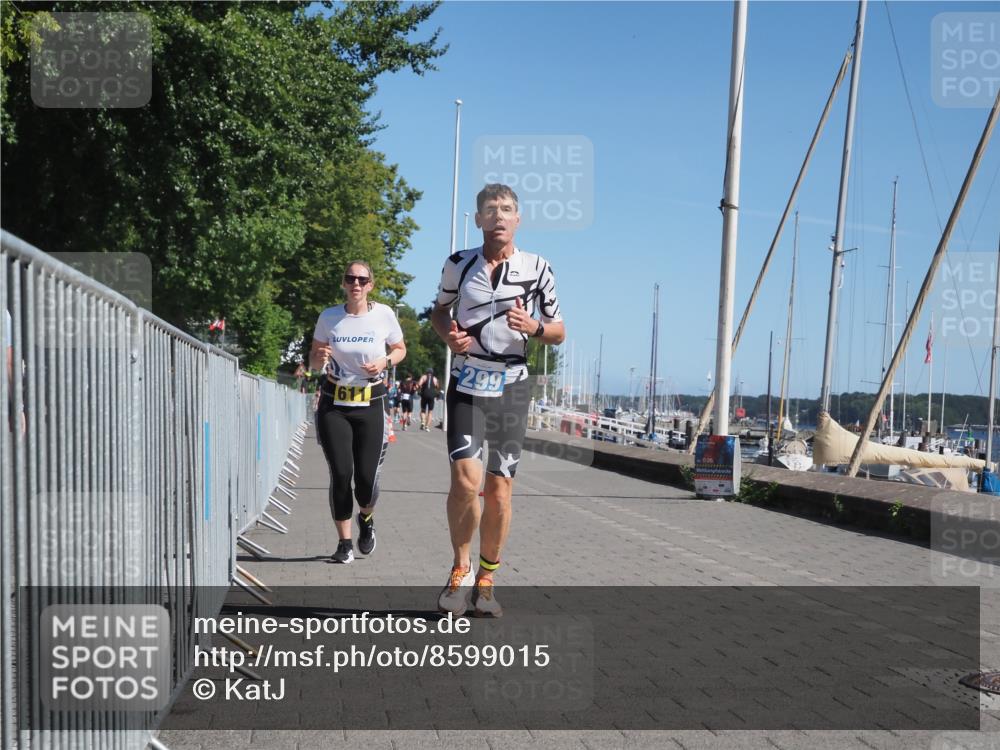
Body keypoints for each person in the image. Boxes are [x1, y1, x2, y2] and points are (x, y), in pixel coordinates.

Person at [431, 183, 565, 617]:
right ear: (478, 220)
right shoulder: (458, 264)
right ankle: (460, 567)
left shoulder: (538, 268)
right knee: (466, 483)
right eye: (490, 210)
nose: (499, 217)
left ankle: (486, 580)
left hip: (512, 387)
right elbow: (438, 310)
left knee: (499, 489)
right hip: (468, 383)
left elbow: (559, 330)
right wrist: (447, 334)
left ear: (518, 219)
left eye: (507, 210)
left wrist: (534, 327)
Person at [309, 260, 406, 564]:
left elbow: (401, 349)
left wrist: (386, 362)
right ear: (343, 283)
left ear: (370, 286)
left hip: (371, 403)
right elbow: (314, 362)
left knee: (365, 480)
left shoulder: (384, 315)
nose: (356, 284)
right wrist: (319, 356)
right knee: (341, 474)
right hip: (334, 403)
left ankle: (366, 518)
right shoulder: (329, 317)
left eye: (362, 280)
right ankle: (344, 542)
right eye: (350, 279)